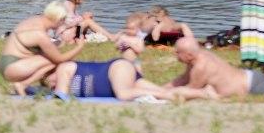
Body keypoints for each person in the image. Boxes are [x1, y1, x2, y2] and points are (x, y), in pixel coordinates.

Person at [0, 2, 86, 95]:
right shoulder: (40, 34)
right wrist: (79, 47)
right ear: (58, 19)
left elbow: (42, 48)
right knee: (54, 60)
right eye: (63, 20)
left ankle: (44, 85)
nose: (63, 23)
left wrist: (63, 41)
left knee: (49, 58)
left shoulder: (35, 20)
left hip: (8, 63)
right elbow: (59, 59)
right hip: (13, 68)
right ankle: (23, 84)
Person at [51, 57, 179, 101]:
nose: (51, 83)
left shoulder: (63, 68)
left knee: (123, 94)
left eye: (48, 79)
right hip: (118, 78)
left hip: (115, 69)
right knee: (164, 91)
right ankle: (198, 94)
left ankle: (168, 96)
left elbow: (60, 95)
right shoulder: (63, 78)